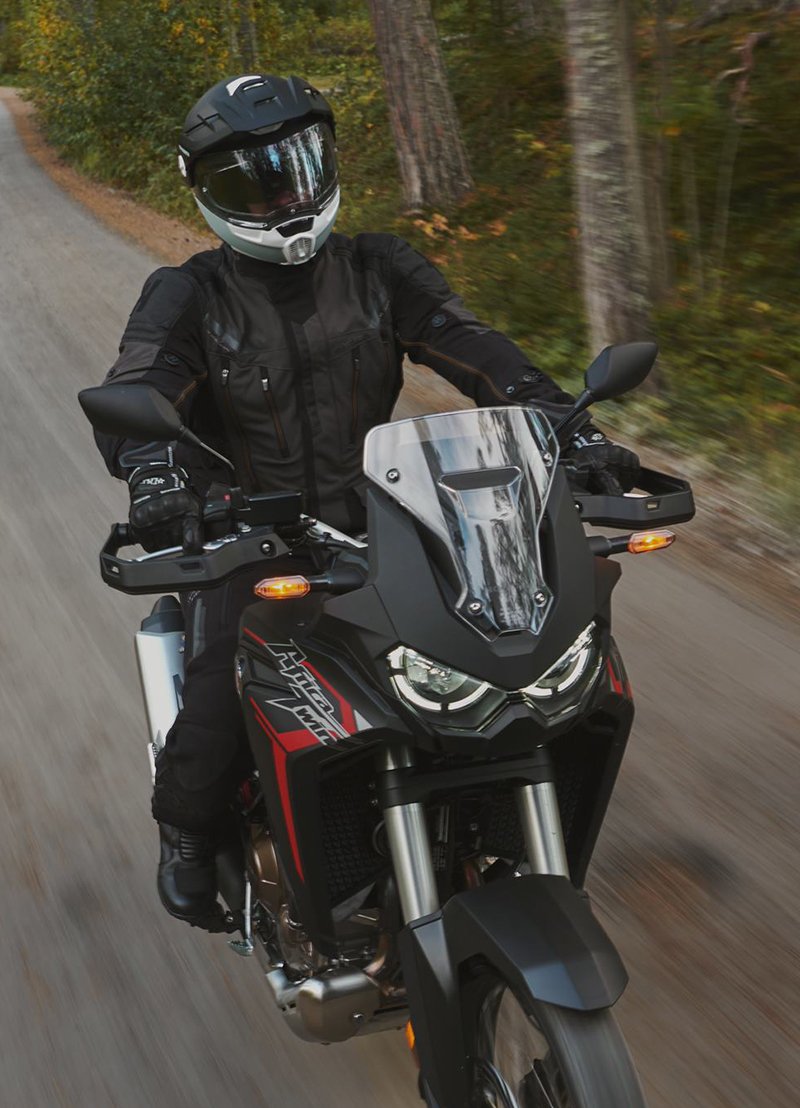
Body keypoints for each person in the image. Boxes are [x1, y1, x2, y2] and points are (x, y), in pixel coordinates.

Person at [94, 73, 640, 931]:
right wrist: (158, 478)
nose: (285, 194)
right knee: (217, 698)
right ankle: (189, 836)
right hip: (248, 532)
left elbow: (472, 345)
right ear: (206, 192)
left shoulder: (380, 266)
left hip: (383, 517)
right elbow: (141, 385)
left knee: (519, 646)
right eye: (253, 180)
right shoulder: (189, 295)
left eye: (300, 165)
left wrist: (563, 426)